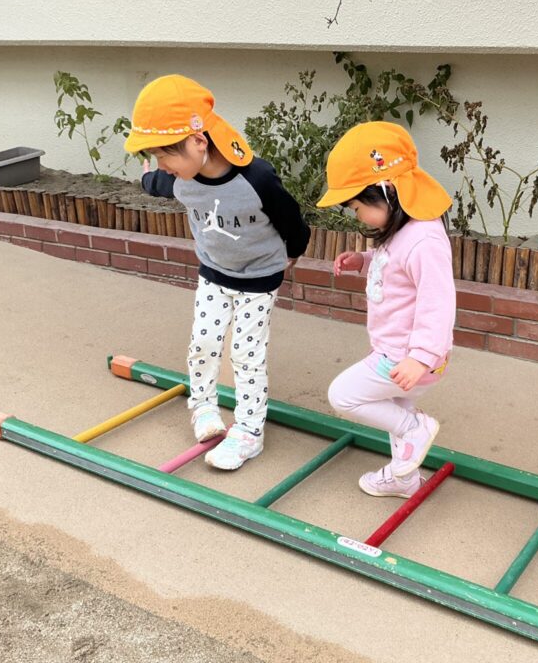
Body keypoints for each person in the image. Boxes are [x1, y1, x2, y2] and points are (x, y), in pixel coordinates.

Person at [124, 75, 309, 470]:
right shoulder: (178, 179)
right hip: (213, 273)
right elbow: (156, 182)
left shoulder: (256, 179)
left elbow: (291, 217)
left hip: (258, 279)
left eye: (165, 157)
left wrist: (294, 251)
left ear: (198, 142)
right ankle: (203, 406)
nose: (164, 168)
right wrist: (147, 175)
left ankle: (250, 431)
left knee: (245, 353)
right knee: (204, 342)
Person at [317, 121, 455, 498]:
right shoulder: (404, 228)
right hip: (400, 351)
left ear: (387, 190)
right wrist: (362, 261)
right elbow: (395, 268)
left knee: (343, 395)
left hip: (409, 356)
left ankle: (416, 430)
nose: (359, 216)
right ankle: (403, 479)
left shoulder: (424, 240)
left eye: (359, 207)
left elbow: (438, 302)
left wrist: (420, 357)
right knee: (395, 409)